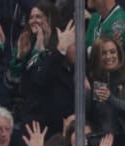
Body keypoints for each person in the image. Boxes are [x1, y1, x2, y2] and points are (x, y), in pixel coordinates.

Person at [5, 0, 75, 135]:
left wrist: (56, 51)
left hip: (53, 122)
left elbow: (42, 79)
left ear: (50, 18)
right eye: (31, 17)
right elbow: (10, 85)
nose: (33, 21)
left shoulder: (63, 44)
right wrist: (18, 59)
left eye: (38, 16)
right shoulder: (27, 46)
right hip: (31, 119)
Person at [87, 34, 125, 146]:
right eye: (103, 53)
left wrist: (112, 99)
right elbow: (94, 116)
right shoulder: (94, 80)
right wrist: (87, 94)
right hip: (101, 143)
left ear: (119, 53)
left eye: (112, 52)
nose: (109, 56)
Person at [85, 0, 125, 65]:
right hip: (94, 73)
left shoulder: (122, 20)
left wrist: (90, 51)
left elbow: (107, 58)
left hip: (118, 74)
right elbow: (84, 50)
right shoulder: (94, 18)